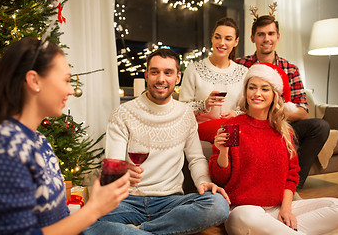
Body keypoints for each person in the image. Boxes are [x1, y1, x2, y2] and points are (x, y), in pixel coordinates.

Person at [0, 37, 130, 235]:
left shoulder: (40, 142)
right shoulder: (5, 146)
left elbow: (61, 219)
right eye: (66, 80)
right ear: (34, 80)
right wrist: (94, 210)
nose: (71, 90)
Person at [84, 48, 230, 235]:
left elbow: (195, 159)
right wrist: (120, 174)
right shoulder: (123, 113)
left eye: (168, 73)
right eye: (155, 72)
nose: (161, 79)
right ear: (146, 75)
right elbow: (114, 164)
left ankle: (139, 231)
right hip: (128, 202)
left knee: (217, 205)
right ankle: (166, 231)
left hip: (170, 203)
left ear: (177, 78)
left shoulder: (185, 114)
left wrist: (203, 181)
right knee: (89, 222)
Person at [209, 62, 338, 235]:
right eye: (252, 87)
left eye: (265, 89)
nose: (257, 93)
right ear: (245, 92)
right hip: (244, 211)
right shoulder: (231, 125)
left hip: (277, 209)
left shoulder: (283, 131)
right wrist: (223, 151)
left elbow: (292, 174)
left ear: (274, 95)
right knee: (242, 218)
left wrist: (286, 209)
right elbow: (219, 178)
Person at [235, 15, 330, 189]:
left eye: (271, 33)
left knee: (320, 126)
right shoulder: (239, 66)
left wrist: (273, 112)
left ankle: (291, 186)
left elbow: (303, 110)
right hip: (251, 126)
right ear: (252, 38)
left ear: (278, 36)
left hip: (282, 124)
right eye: (261, 34)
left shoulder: (290, 69)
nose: (266, 39)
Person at [179, 17, 248, 140]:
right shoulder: (194, 69)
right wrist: (204, 104)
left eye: (228, 39)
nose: (221, 43)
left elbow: (247, 108)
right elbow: (181, 108)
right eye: (217, 37)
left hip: (233, 128)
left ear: (236, 42)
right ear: (212, 38)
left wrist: (235, 114)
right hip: (202, 128)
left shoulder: (243, 72)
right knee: (229, 131)